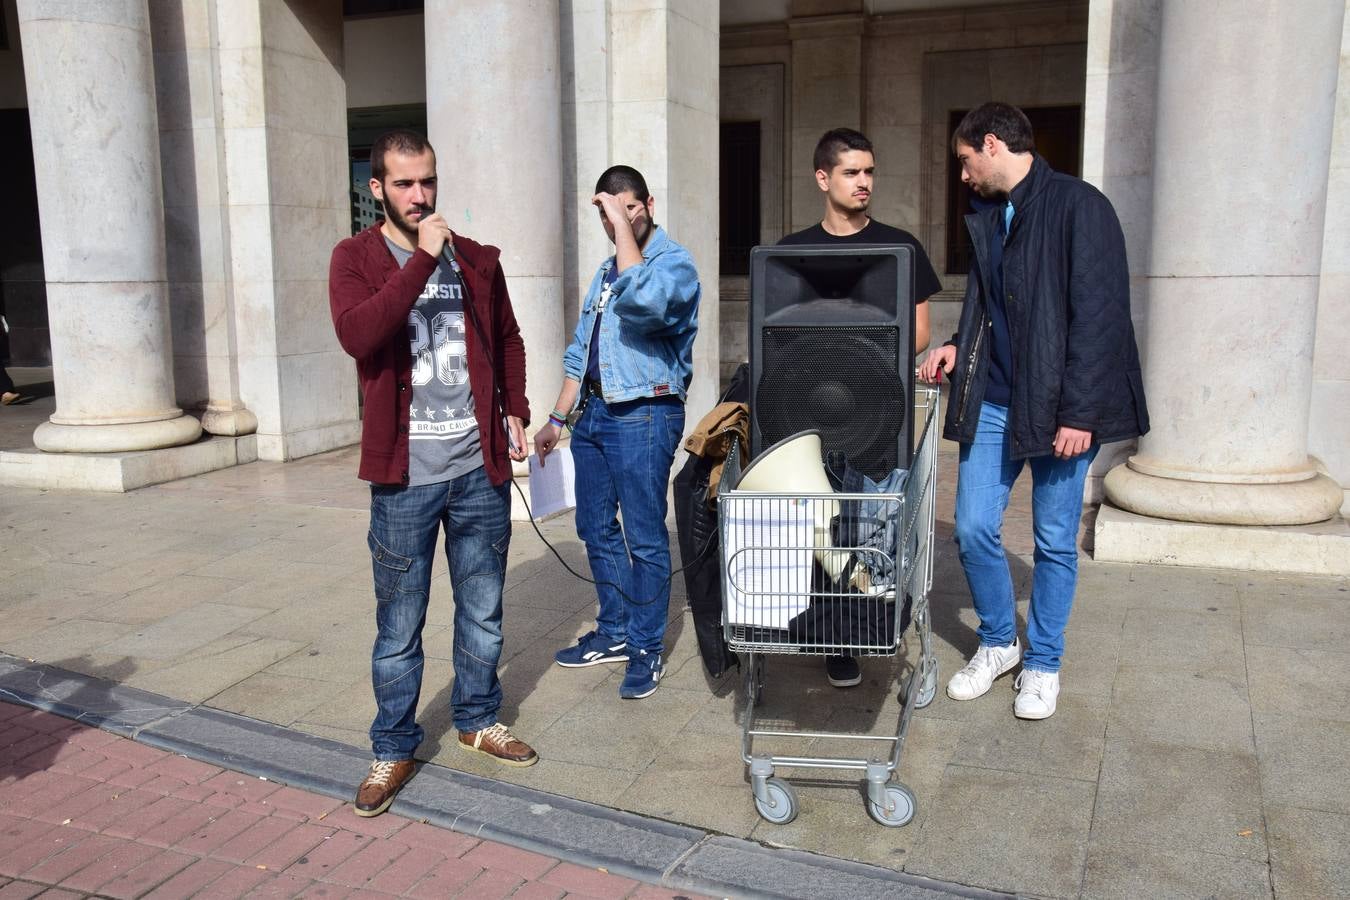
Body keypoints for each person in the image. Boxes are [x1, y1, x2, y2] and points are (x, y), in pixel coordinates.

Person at [328, 129, 537, 818]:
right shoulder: (355, 259)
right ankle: (393, 744)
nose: (421, 196)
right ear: (377, 189)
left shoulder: (475, 260)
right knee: (400, 622)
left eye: (429, 182)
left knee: (482, 606)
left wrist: (516, 409)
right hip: (404, 475)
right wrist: (419, 262)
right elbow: (361, 335)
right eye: (406, 184)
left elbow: (506, 337)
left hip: (477, 468)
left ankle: (477, 718)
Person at [919, 102, 1149, 720]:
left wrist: (1080, 414)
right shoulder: (991, 219)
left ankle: (1043, 662)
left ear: (991, 145)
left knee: (1052, 542)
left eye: (965, 161)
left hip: (1060, 411)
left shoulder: (1081, 206)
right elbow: (989, 309)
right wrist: (953, 347)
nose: (963, 176)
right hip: (995, 399)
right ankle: (999, 643)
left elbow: (1100, 321)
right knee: (971, 528)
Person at [779, 127, 942, 689]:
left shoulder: (901, 247)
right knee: (820, 521)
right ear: (823, 178)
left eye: (869, 171)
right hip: (810, 408)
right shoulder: (792, 252)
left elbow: (919, 332)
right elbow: (779, 339)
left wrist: (858, 356)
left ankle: (873, 623)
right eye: (852, 172)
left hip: (877, 410)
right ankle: (832, 636)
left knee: (869, 520)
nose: (864, 182)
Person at [534, 165, 700, 700]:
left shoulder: (673, 264)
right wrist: (556, 419)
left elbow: (646, 302)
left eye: (627, 208)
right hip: (595, 416)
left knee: (645, 537)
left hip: (646, 414)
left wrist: (623, 230)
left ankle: (646, 648)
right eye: (609, 212)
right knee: (594, 528)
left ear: (648, 203)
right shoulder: (606, 272)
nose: (617, 221)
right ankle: (615, 630)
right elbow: (582, 348)